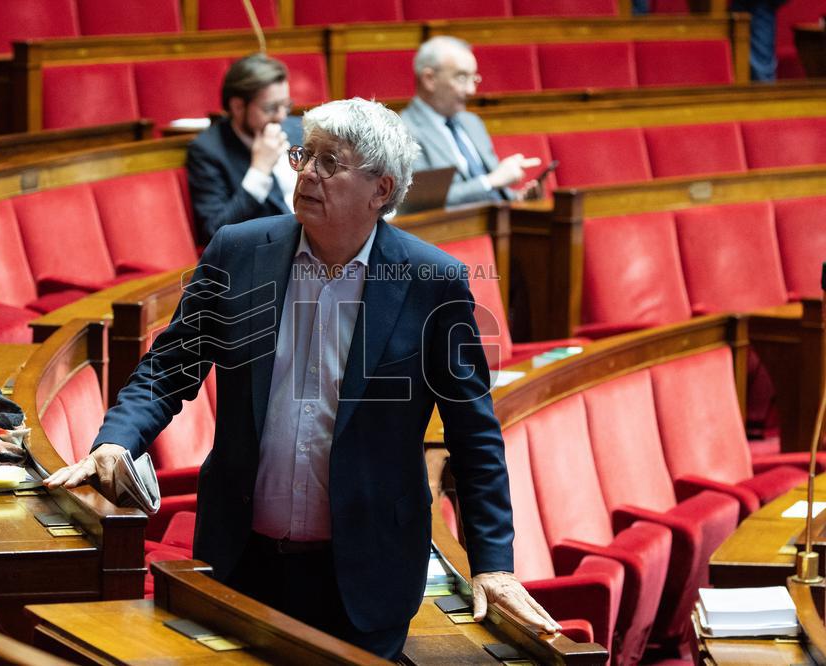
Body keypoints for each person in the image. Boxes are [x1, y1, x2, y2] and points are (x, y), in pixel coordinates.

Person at [46, 98, 560, 659]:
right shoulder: (238, 252)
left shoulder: (432, 280)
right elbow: (170, 368)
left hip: (367, 574)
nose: (307, 173)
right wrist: (117, 441)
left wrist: (493, 565)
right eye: (304, 156)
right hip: (240, 558)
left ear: (380, 190)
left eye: (330, 163)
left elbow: (473, 432)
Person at [401, 36, 541, 207]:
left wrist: (517, 198)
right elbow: (418, 201)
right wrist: (490, 181)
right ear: (429, 79)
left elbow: (491, 191)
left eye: (473, 79)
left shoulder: (472, 122)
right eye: (461, 77)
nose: (471, 90)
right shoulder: (403, 130)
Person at [187, 53, 303, 243]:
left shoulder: (298, 129)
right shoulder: (208, 151)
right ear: (238, 106)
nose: (282, 116)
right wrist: (259, 171)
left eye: (285, 106)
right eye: (270, 108)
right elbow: (215, 231)